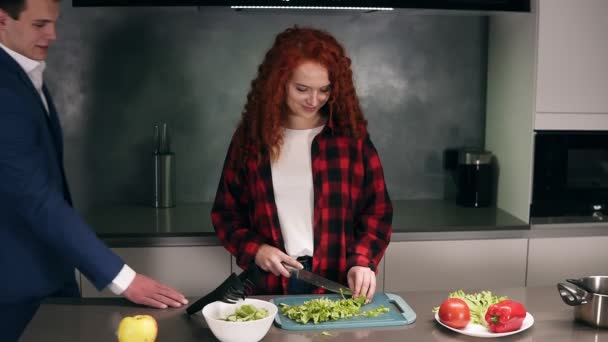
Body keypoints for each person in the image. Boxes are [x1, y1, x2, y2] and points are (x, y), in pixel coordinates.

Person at [0, 0, 188, 339]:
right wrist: (125, 280)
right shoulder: (3, 89)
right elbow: (34, 197)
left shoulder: (21, 74)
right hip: (16, 286)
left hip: (47, 272)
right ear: (2, 19)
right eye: (40, 24)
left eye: (54, 23)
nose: (53, 35)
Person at [212, 26, 392, 300]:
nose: (314, 100)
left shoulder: (350, 139)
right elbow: (226, 213)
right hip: (271, 286)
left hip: (337, 281)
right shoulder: (251, 139)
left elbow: (376, 211)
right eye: (302, 89)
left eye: (324, 90)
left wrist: (362, 261)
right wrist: (257, 250)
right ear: (278, 83)